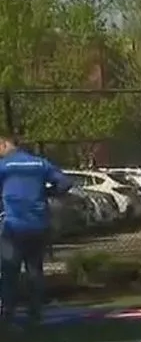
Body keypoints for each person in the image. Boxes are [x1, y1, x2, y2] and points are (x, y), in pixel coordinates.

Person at [0, 134, 72, 328]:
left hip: (13, 225)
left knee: (9, 271)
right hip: (38, 225)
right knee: (35, 271)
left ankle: (7, 314)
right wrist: (46, 193)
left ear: (6, 144)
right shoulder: (40, 164)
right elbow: (65, 183)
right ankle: (35, 313)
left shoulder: (4, 166)